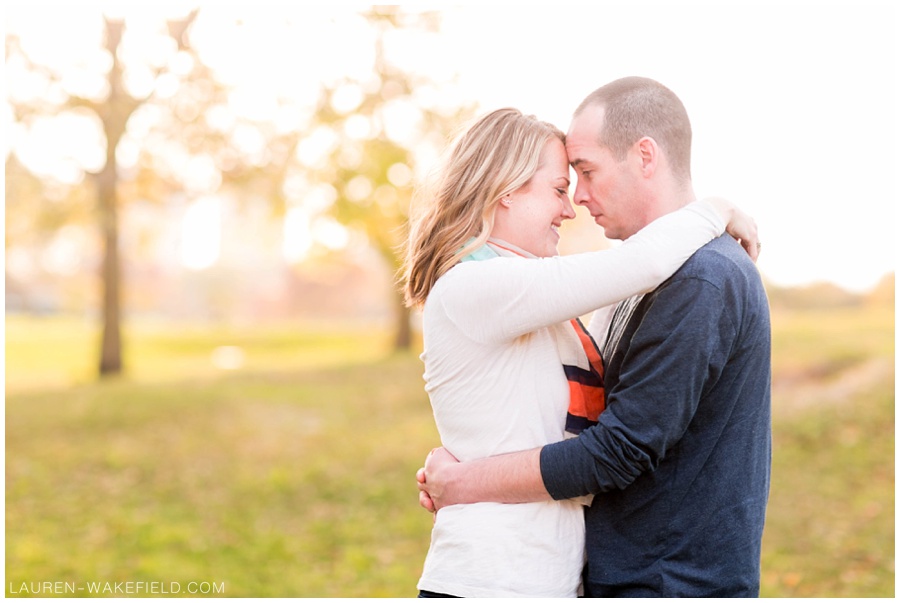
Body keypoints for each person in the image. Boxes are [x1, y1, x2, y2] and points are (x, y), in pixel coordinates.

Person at [417, 77, 772, 597]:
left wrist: (465, 478)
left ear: (645, 157)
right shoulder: (478, 286)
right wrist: (717, 209)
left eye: (581, 176)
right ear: (506, 191)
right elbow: (639, 263)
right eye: (561, 186)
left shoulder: (671, 284)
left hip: (564, 578)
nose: (573, 205)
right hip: (492, 578)